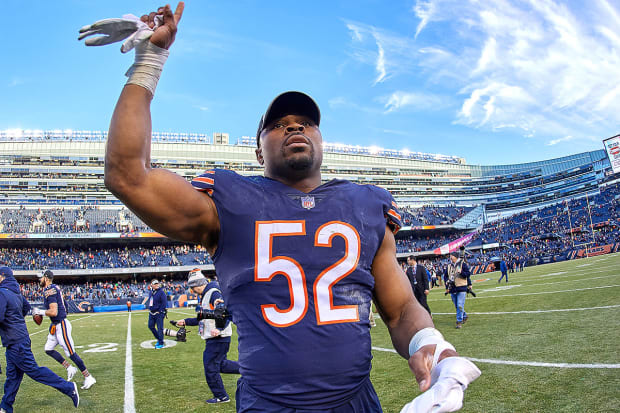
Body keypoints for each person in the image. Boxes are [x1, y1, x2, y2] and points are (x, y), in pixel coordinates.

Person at [96, 3, 480, 411]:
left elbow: (402, 308)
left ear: (320, 139)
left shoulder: (364, 204)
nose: (294, 126)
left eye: (305, 122)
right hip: (269, 404)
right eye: (277, 124)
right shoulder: (230, 201)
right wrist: (150, 62)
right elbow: (127, 175)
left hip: (355, 402)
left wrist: (431, 345)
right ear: (258, 152)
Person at [0, 267, 79, 412]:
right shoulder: (15, 292)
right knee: (13, 376)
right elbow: (26, 307)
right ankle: (5, 406)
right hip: (17, 340)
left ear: (2, 277)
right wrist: (16, 321)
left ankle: (69, 388)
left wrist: (11, 324)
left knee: (35, 371)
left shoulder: (2, 293)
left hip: (16, 342)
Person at [174, 269, 240, 404]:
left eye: (192, 288)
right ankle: (249, 370)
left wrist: (219, 328)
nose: (192, 291)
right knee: (221, 365)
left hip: (217, 337)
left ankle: (221, 396)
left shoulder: (213, 293)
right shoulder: (208, 294)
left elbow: (225, 310)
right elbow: (204, 317)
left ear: (197, 285)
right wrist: (186, 321)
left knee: (210, 366)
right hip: (217, 337)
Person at [32, 270, 96, 390]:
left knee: (71, 353)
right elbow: (64, 305)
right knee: (48, 349)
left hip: (61, 325)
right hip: (56, 325)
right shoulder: (55, 287)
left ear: (46, 278)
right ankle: (69, 368)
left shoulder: (49, 290)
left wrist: (39, 312)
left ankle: (88, 377)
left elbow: (54, 312)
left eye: (40, 278)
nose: (39, 280)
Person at [444, 252, 472, 329]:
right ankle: (464, 315)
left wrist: (462, 272)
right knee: (457, 305)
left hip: (461, 287)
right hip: (452, 288)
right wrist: (446, 283)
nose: (450, 258)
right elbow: (445, 276)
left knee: (460, 304)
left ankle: (459, 321)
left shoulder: (462, 264)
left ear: (456, 257)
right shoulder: (449, 266)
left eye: (452, 256)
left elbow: (468, 274)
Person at [147, 279, 167, 349]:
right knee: (150, 326)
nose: (156, 285)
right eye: (154, 284)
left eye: (157, 284)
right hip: (152, 312)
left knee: (160, 328)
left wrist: (160, 311)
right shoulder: (151, 292)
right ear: (151, 285)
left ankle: (161, 343)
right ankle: (159, 339)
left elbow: (164, 303)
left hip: (159, 313)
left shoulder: (161, 292)